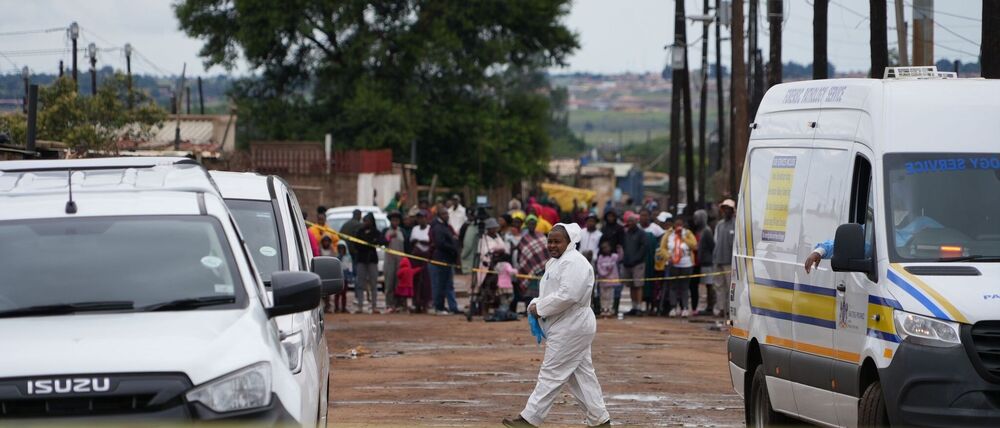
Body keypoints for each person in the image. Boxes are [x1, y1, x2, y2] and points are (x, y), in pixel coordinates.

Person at [504, 223, 611, 428]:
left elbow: (568, 296)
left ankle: (529, 419)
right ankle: (600, 420)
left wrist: (539, 308)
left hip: (572, 324)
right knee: (581, 375)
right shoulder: (555, 262)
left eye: (557, 241)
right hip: (565, 323)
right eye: (550, 241)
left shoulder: (574, 262)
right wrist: (536, 303)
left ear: (569, 242)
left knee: (551, 372)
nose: (552, 245)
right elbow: (551, 292)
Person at [659, 217, 698, 317]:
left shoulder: (687, 233)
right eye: (677, 224)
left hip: (686, 264)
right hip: (673, 264)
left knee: (685, 287)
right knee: (673, 287)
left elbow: (694, 245)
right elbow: (662, 248)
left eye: (680, 224)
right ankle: (673, 307)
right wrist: (668, 256)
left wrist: (683, 238)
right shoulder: (669, 234)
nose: (678, 226)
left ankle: (685, 307)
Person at [430, 208, 460, 315]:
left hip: (448, 259)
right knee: (440, 284)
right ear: (439, 215)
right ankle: (439, 307)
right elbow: (440, 243)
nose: (446, 215)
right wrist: (452, 247)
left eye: (447, 214)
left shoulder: (446, 226)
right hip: (440, 259)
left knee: (449, 284)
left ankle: (453, 307)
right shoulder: (438, 227)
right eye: (443, 214)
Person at [354, 213, 385, 314]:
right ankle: (360, 306)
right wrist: (370, 242)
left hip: (372, 260)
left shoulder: (376, 232)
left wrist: (371, 242)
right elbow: (356, 245)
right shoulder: (359, 231)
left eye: (367, 220)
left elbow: (381, 241)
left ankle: (374, 306)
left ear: (371, 222)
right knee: (360, 284)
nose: (365, 222)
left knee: (373, 284)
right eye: (364, 220)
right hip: (361, 260)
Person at [516, 215, 548, 312]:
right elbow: (520, 255)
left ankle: (541, 311)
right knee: (530, 292)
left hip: (544, 269)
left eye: (533, 223)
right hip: (529, 270)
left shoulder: (542, 236)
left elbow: (547, 252)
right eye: (529, 223)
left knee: (543, 291)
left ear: (536, 224)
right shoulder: (523, 240)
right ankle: (529, 310)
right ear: (526, 225)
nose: (531, 225)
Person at [621, 212, 649, 316]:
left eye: (632, 221)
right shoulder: (626, 233)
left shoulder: (641, 233)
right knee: (631, 286)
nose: (630, 223)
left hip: (638, 263)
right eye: (628, 221)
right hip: (627, 263)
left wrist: (636, 259)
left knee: (638, 285)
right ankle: (633, 306)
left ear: (636, 222)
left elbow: (644, 248)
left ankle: (639, 307)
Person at [712, 199, 736, 317]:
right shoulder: (719, 225)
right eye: (724, 208)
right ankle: (721, 308)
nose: (726, 211)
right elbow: (715, 241)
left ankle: (729, 309)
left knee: (729, 287)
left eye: (728, 209)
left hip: (729, 262)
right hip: (718, 260)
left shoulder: (736, 224)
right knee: (719, 286)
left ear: (732, 211)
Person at [692, 209, 716, 315]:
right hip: (702, 261)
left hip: (708, 262)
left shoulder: (707, 231)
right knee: (705, 285)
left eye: (697, 218)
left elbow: (712, 246)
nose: (695, 220)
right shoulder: (700, 230)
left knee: (709, 284)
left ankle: (710, 306)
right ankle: (708, 305)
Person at [409, 210, 434, 313]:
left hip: (427, 256)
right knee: (416, 280)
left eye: (423, 217)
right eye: (419, 218)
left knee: (426, 281)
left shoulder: (430, 229)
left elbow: (431, 241)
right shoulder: (415, 229)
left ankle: (426, 303)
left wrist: (422, 242)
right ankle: (416, 302)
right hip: (416, 257)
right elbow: (412, 241)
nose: (421, 220)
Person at [383, 212, 406, 313]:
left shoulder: (403, 232)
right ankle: (389, 304)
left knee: (399, 283)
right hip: (389, 260)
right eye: (393, 220)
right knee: (389, 283)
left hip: (401, 261)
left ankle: (399, 304)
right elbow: (381, 242)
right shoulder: (386, 231)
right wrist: (389, 238)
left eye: (397, 220)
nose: (395, 222)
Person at [477, 218, 509, 286]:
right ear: (488, 229)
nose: (494, 229)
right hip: (488, 262)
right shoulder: (483, 239)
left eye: (495, 228)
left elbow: (504, 247)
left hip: (499, 260)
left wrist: (499, 250)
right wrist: (493, 250)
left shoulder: (498, 237)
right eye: (492, 228)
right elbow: (483, 252)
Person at [595, 241, 620, 317]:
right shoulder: (600, 257)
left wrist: (619, 249)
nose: (605, 249)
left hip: (611, 280)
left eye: (607, 247)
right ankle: (603, 309)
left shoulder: (614, 256)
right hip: (603, 280)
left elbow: (620, 257)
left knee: (610, 295)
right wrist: (603, 273)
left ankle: (609, 309)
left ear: (610, 248)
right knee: (603, 295)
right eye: (603, 248)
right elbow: (599, 267)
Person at [493, 252, 518, 320]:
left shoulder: (498, 265)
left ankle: (502, 310)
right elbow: (510, 271)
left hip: (500, 285)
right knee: (511, 297)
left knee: (502, 299)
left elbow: (495, 271)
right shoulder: (507, 264)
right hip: (507, 285)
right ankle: (504, 310)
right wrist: (516, 270)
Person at [333, 241, 351, 313]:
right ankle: (336, 308)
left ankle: (343, 308)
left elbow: (350, 267)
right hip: (338, 277)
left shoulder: (348, 257)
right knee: (337, 294)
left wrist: (350, 275)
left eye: (342, 248)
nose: (341, 250)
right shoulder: (336, 257)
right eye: (339, 248)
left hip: (345, 277)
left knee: (344, 294)